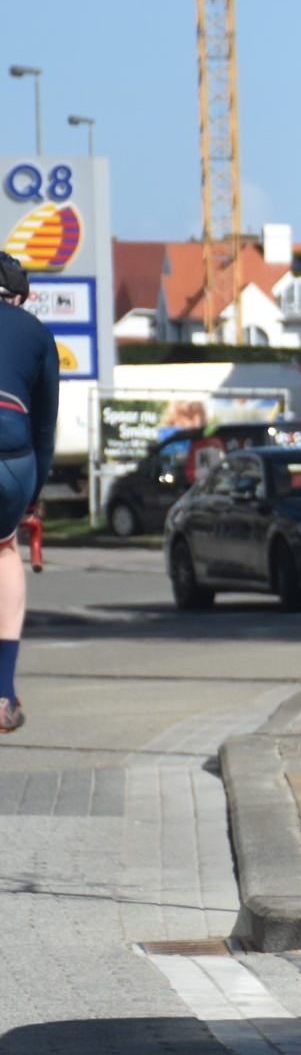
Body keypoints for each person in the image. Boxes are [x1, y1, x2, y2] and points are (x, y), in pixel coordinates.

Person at [0, 250, 60, 733]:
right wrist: (32, 496)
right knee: (4, 553)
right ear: (19, 297)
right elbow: (44, 428)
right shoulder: (37, 333)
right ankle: (2, 694)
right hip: (11, 459)